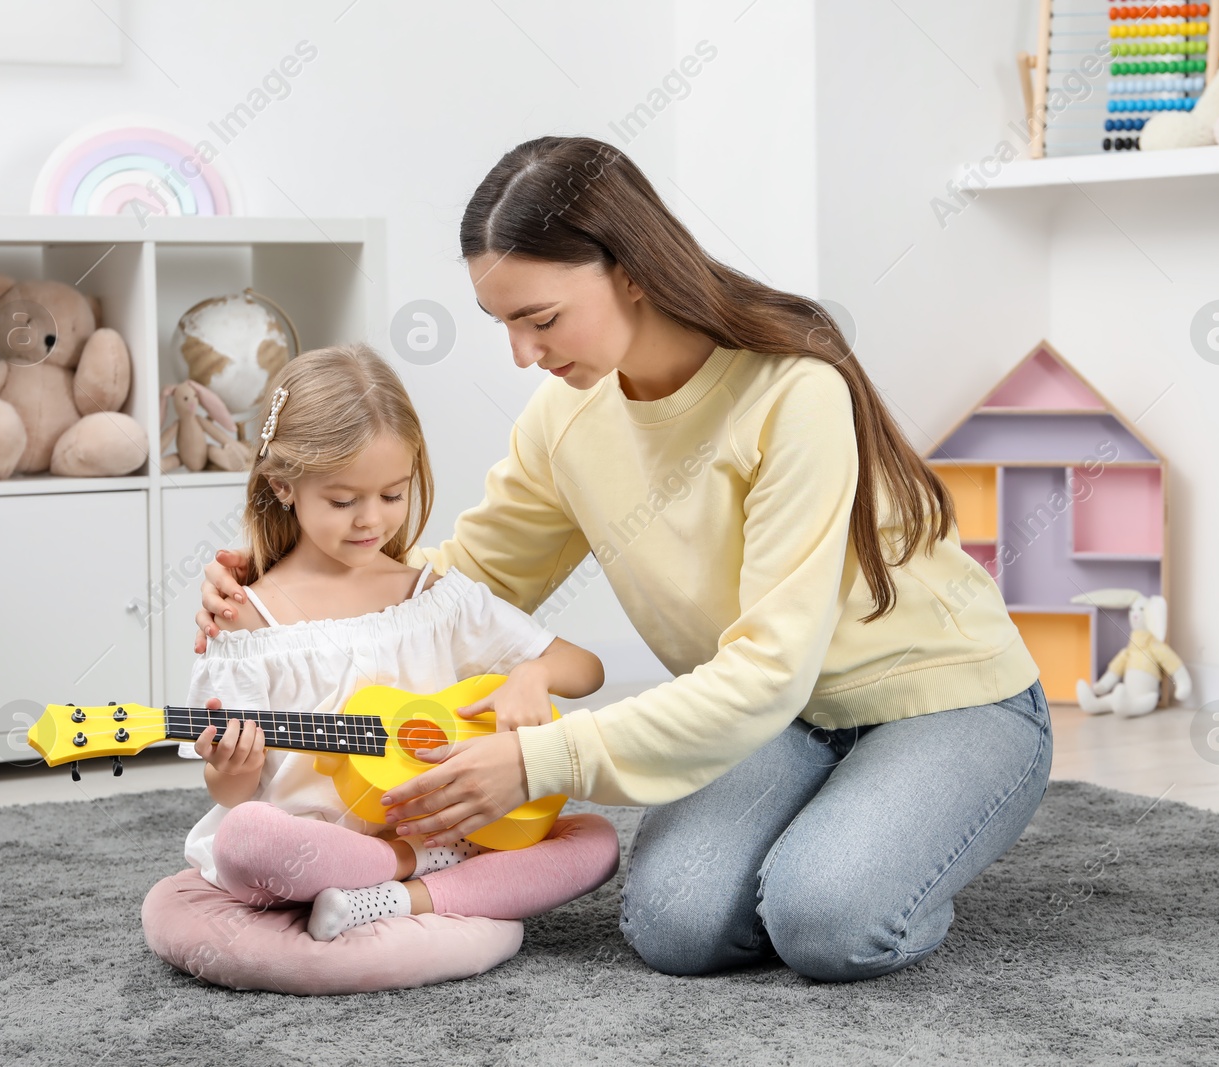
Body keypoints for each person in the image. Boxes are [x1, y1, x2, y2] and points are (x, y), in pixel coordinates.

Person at [197, 136, 1051, 983]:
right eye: (504, 324)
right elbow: (463, 582)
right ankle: (836, 830)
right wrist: (293, 580)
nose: (522, 355)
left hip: (944, 701)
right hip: (779, 725)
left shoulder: (793, 393)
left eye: (541, 319)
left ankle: (875, 848)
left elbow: (771, 669)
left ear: (632, 269)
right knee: (675, 926)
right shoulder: (565, 421)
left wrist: (542, 758)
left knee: (824, 919)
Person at [154, 343, 618, 985]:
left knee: (595, 841)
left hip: (450, 830)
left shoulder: (434, 597)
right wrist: (234, 767)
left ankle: (397, 892)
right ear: (283, 484)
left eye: (393, 495)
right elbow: (231, 794)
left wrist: (531, 675)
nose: (371, 520)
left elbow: (584, 668)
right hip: (316, 843)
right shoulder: (247, 622)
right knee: (246, 841)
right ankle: (413, 878)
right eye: (343, 501)